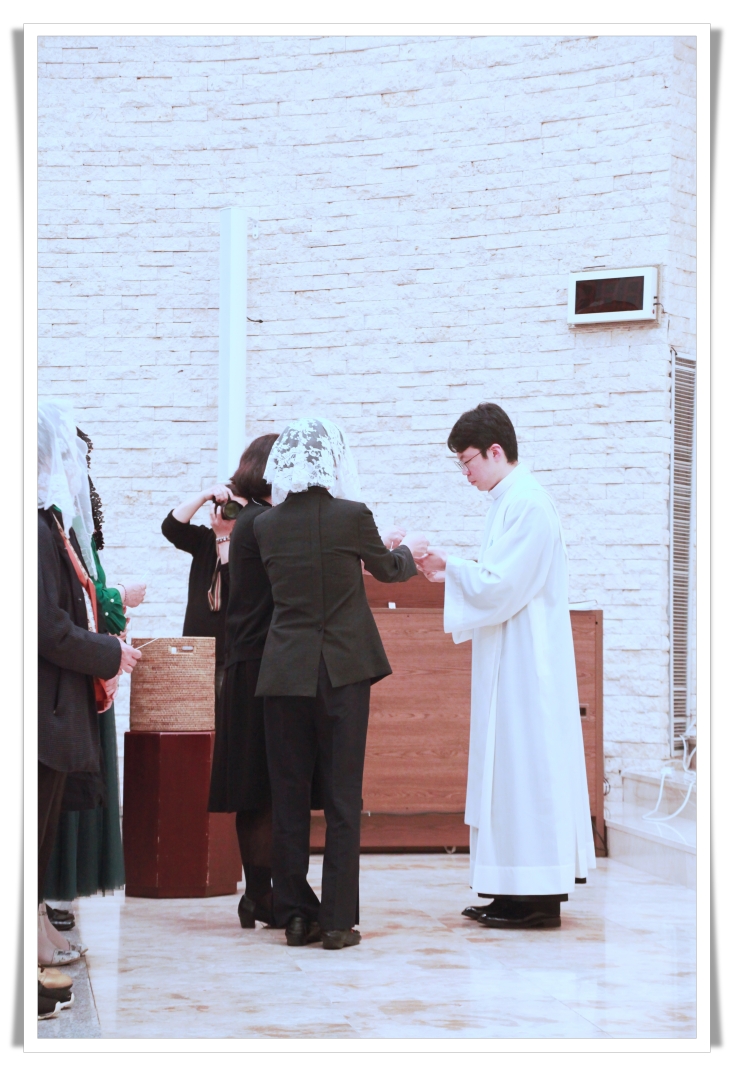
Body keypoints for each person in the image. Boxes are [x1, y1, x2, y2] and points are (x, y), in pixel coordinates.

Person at [417, 403, 595, 929]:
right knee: (506, 775)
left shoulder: (529, 503)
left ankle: (537, 898)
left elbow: (504, 584)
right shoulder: (506, 502)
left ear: (496, 451)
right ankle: (511, 889)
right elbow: (498, 576)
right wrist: (451, 571)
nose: (465, 472)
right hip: (510, 658)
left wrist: (452, 566)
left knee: (526, 772)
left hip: (529, 667)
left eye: (467, 461)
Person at [253, 418, 428, 950]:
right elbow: (388, 569)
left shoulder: (265, 525)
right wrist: (409, 549)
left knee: (288, 797)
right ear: (332, 461)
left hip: (284, 671)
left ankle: (295, 915)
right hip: (343, 670)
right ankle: (336, 922)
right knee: (342, 798)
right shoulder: (353, 516)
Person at [37, 400, 141, 989]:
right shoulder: (32, 529)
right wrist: (108, 653)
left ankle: (37, 929)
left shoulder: (46, 523)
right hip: (41, 702)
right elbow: (46, 627)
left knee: (42, 831)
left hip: (56, 698)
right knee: (32, 834)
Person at [207, 433, 280, 929]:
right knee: (263, 787)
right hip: (259, 665)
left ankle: (257, 895)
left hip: (245, 664)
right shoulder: (262, 522)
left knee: (256, 786)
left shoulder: (248, 520)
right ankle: (261, 895)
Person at [162, 480, 248, 694]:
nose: (233, 514)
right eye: (229, 507)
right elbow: (171, 527)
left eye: (239, 509)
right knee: (195, 713)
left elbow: (237, 584)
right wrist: (204, 496)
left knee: (225, 713)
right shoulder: (205, 540)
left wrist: (225, 537)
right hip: (197, 649)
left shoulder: (251, 545)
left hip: (232, 651)